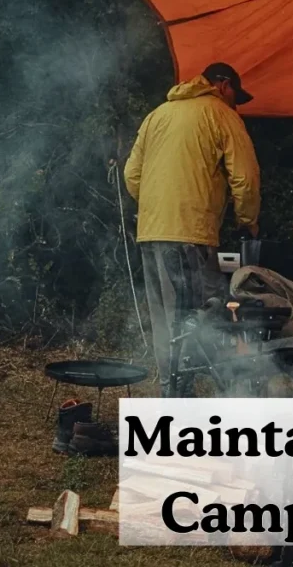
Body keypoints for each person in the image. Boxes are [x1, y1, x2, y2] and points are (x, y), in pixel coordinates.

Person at [124, 62, 261, 398]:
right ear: (224, 86)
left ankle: (171, 391)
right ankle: (189, 397)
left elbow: (132, 175)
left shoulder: (158, 115)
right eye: (235, 97)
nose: (234, 104)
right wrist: (248, 221)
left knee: (165, 319)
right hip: (190, 232)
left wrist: (159, 204)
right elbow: (245, 177)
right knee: (198, 314)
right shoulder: (221, 114)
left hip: (151, 231)